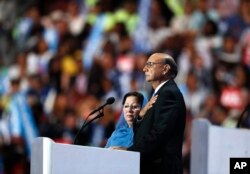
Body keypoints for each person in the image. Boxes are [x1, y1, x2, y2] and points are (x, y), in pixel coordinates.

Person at [114, 53, 186, 174]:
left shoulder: (169, 94)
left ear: (165, 69)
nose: (144, 68)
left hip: (161, 168)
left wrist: (130, 152)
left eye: (150, 64)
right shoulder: (160, 93)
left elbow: (159, 134)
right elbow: (147, 131)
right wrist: (140, 117)